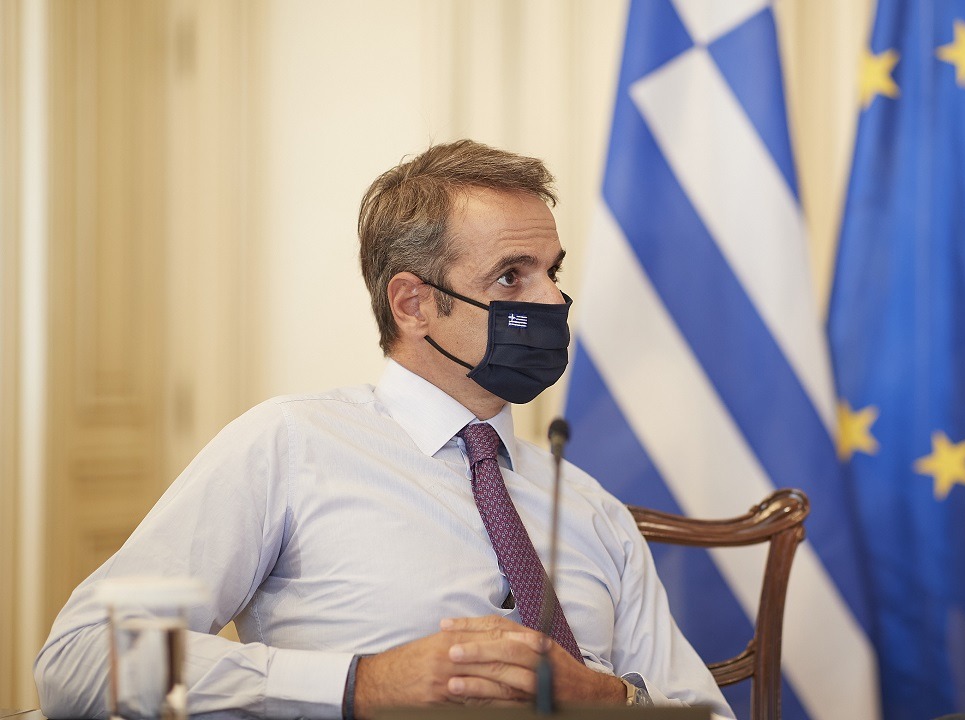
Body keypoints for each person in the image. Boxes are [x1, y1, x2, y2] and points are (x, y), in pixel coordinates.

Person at [34, 140, 734, 719]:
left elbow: (702, 711)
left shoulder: (590, 508)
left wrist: (609, 698)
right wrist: (358, 685)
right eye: (511, 277)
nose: (553, 300)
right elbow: (83, 660)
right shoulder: (290, 445)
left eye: (552, 272)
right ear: (413, 303)